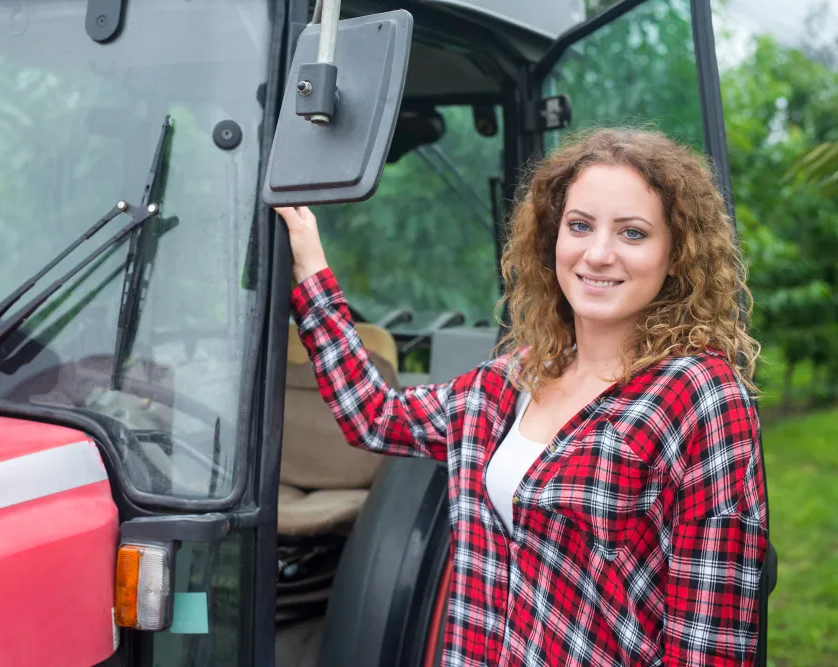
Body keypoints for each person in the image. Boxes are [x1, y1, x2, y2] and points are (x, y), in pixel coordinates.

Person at [274, 127, 768, 667]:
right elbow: (375, 416)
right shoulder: (514, 379)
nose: (598, 253)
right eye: (580, 226)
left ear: (676, 253)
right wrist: (312, 269)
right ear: (553, 239)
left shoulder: (700, 397)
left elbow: (711, 644)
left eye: (632, 233)